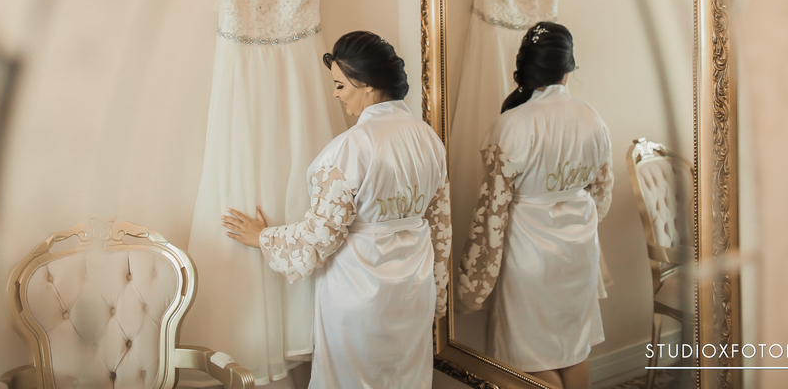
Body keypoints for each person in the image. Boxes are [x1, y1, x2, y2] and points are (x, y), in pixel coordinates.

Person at [222, 31, 451, 389]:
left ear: (367, 85)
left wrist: (263, 236)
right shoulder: (429, 140)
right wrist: (438, 290)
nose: (335, 94)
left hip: (359, 294)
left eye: (341, 85)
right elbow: (441, 227)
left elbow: (320, 238)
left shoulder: (348, 150)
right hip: (414, 292)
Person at [457, 21, 613, 389]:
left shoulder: (511, 125)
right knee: (573, 349)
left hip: (528, 254)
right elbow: (602, 194)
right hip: (579, 252)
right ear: (568, 67)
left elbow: (491, 211)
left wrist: (474, 274)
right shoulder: (592, 118)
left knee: (526, 356)